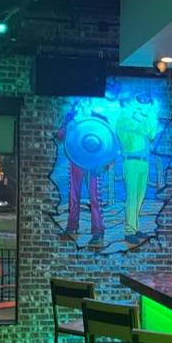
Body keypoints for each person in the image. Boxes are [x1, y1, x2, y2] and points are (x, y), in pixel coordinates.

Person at [57, 104, 107, 248]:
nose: (84, 103)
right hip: (76, 161)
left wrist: (103, 162)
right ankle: (72, 227)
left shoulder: (98, 118)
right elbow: (60, 136)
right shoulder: (71, 118)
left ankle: (98, 231)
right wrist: (67, 123)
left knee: (95, 197)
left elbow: (107, 140)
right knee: (73, 196)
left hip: (92, 162)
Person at [114, 92, 160, 245]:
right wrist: (153, 112)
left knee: (139, 197)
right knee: (132, 197)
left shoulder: (138, 119)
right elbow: (145, 130)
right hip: (131, 161)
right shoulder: (124, 119)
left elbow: (152, 134)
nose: (139, 109)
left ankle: (135, 227)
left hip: (143, 162)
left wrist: (152, 116)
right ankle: (129, 231)